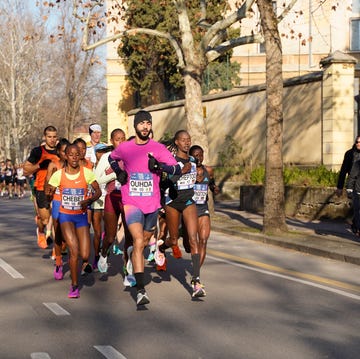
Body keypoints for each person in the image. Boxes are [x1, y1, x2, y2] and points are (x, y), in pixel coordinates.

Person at [105, 110, 190, 306]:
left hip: (152, 204)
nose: (145, 127)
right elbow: (111, 158)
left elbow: (177, 168)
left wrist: (160, 167)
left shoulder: (158, 148)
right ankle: (141, 290)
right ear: (135, 126)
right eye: (141, 123)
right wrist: (119, 172)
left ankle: (132, 263)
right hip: (131, 202)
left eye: (148, 123)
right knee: (136, 239)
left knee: (142, 242)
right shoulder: (125, 148)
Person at [47, 143, 101, 298]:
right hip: (66, 216)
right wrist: (48, 191)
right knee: (74, 251)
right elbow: (48, 189)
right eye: (71, 154)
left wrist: (89, 200)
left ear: (81, 156)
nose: (74, 158)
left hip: (81, 217)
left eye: (77, 154)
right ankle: (74, 286)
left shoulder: (87, 173)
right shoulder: (59, 174)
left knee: (85, 254)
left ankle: (82, 266)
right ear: (66, 156)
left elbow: (98, 191)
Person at [159, 130, 206, 298]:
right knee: (173, 240)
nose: (187, 143)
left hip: (188, 201)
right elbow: (164, 183)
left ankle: (196, 281)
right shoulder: (171, 162)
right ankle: (161, 247)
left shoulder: (192, 160)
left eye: (189, 140)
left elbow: (199, 172)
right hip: (172, 202)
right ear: (177, 143)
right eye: (183, 140)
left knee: (194, 239)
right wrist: (181, 172)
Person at [23, 126, 59, 249]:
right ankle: (41, 230)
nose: (52, 139)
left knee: (57, 219)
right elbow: (26, 171)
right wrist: (39, 165)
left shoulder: (60, 150)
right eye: (49, 136)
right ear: (45, 137)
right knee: (45, 220)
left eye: (54, 136)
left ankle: (58, 250)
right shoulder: (37, 151)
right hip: (41, 189)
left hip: (58, 189)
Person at [186, 145, 220, 266]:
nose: (199, 158)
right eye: (196, 155)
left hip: (202, 208)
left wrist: (214, 188)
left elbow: (211, 183)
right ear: (190, 157)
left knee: (203, 240)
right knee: (189, 241)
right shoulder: (187, 170)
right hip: (188, 209)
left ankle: (196, 273)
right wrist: (192, 180)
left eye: (201, 155)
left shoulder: (209, 170)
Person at [45, 138, 70, 278]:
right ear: (59, 152)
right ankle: (59, 263)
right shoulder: (53, 165)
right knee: (58, 231)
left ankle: (65, 249)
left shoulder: (74, 164)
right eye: (63, 151)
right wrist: (49, 197)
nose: (66, 154)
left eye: (68, 151)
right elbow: (48, 183)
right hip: (57, 201)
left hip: (72, 203)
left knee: (71, 233)